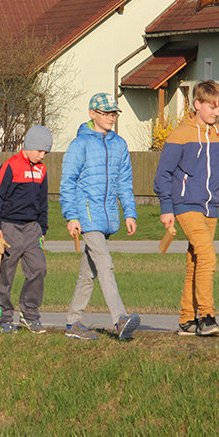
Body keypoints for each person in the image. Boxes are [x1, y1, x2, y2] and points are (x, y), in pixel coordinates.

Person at [153, 80, 219, 337]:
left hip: (211, 207)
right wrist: (167, 208)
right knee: (208, 256)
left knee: (195, 261)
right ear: (197, 104)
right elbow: (162, 175)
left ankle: (187, 320)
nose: (216, 112)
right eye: (212, 106)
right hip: (185, 204)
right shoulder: (180, 135)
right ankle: (207, 317)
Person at [60, 93, 141, 341]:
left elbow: (124, 182)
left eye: (113, 113)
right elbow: (67, 183)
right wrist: (72, 216)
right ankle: (120, 319)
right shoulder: (79, 144)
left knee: (89, 273)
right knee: (105, 263)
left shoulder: (119, 145)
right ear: (92, 114)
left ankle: (73, 323)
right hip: (86, 215)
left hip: (107, 217)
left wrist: (129, 212)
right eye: (106, 113)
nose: (111, 118)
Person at [0, 126, 51, 334]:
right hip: (9, 227)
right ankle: (4, 318)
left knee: (39, 269)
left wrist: (42, 228)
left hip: (32, 229)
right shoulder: (10, 166)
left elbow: (43, 201)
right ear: (30, 146)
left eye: (45, 152)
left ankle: (30, 315)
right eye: (40, 151)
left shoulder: (42, 169)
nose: (42, 156)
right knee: (5, 274)